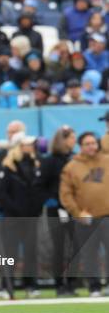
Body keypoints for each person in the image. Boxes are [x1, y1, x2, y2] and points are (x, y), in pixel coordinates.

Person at [0, 132, 45, 297]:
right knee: (11, 252)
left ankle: (31, 285)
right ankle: (6, 285)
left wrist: (35, 209)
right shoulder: (8, 167)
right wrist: (16, 210)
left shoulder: (35, 165)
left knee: (31, 250)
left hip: (31, 216)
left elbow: (38, 191)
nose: (31, 147)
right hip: (13, 217)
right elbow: (2, 194)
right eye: (26, 144)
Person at [60, 132, 109, 297]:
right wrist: (77, 212)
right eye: (87, 143)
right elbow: (66, 194)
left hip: (106, 215)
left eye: (93, 143)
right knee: (89, 253)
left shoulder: (107, 160)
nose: (91, 146)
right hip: (85, 218)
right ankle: (94, 287)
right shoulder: (72, 166)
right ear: (80, 146)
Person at [41, 125, 77, 296]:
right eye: (71, 137)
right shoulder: (50, 161)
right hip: (56, 209)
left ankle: (71, 283)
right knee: (59, 247)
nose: (74, 140)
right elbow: (41, 184)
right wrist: (53, 200)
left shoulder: (75, 160)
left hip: (73, 209)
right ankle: (59, 284)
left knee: (76, 246)